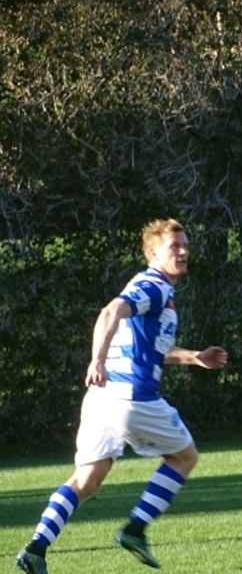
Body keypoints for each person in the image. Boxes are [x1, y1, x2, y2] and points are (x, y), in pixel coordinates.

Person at [15, 218, 228, 574]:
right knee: (184, 457)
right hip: (132, 398)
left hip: (101, 399)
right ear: (152, 253)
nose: (183, 251)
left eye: (185, 244)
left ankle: (36, 548)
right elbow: (109, 311)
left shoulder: (150, 289)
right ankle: (135, 529)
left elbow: (151, 347)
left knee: (87, 479)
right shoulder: (154, 285)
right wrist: (96, 359)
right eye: (174, 246)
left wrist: (195, 357)